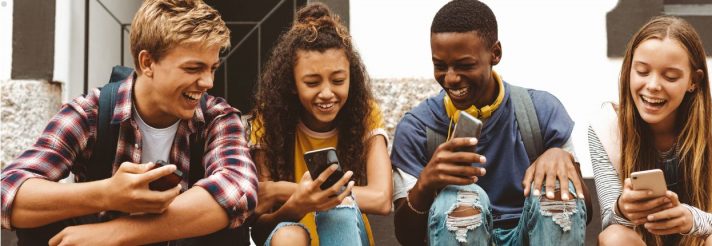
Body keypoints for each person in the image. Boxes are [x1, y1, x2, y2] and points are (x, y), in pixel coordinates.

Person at [0, 0, 258, 245]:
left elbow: (238, 190)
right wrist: (107, 194)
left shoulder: (218, 118)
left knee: (228, 224)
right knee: (39, 222)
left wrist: (115, 233)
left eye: (212, 68)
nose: (208, 82)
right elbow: (7, 192)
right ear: (147, 63)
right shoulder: (90, 113)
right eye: (193, 69)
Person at [390, 0, 588, 245]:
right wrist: (425, 184)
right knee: (460, 200)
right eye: (440, 65)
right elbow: (405, 237)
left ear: (495, 53)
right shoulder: (417, 129)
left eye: (465, 65)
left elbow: (583, 212)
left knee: (556, 189)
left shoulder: (541, 111)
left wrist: (562, 158)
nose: (450, 78)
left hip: (532, 233)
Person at [588, 16, 712, 246]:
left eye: (670, 76)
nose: (653, 85)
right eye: (642, 71)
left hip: (700, 242)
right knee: (615, 235)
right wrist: (622, 208)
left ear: (694, 81)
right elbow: (610, 223)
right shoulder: (608, 127)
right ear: (629, 70)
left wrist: (690, 219)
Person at [247, 3, 392, 246]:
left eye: (337, 80)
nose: (327, 93)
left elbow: (381, 198)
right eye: (312, 83)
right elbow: (258, 227)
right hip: (291, 235)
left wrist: (280, 189)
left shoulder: (366, 113)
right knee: (287, 235)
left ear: (351, 78)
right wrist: (298, 203)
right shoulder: (267, 120)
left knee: (337, 208)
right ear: (292, 83)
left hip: (348, 234)